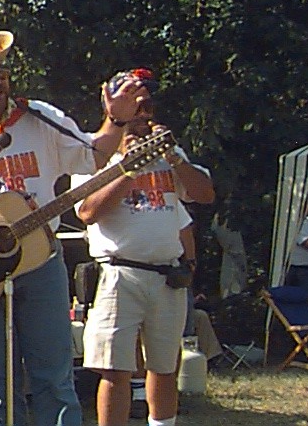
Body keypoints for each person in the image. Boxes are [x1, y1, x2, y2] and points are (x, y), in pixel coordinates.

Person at [0, 32, 142, 426]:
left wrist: (116, 120)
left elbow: (92, 157)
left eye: (0, 73)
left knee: (55, 376)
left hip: (40, 262)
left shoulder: (40, 118)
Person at [72, 68, 215, 426]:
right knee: (115, 369)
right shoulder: (95, 154)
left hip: (166, 274)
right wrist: (129, 169)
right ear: (113, 106)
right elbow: (87, 211)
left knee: (165, 367)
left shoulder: (169, 152)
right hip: (119, 272)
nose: (143, 113)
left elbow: (204, 194)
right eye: (135, 104)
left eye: (148, 105)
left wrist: (175, 157)